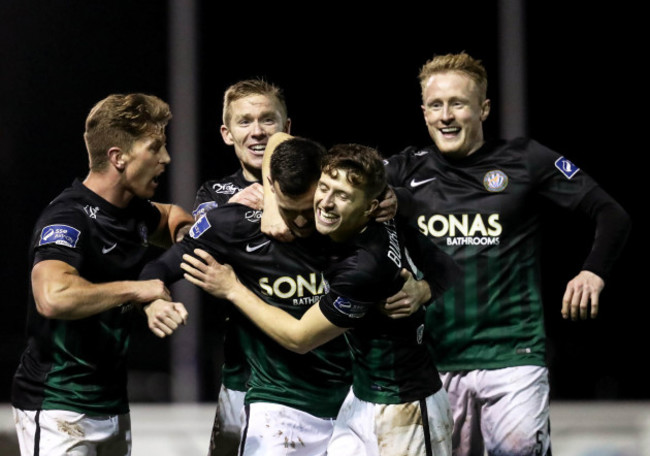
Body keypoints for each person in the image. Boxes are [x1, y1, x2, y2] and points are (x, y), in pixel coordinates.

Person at [382, 52, 632, 455]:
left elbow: (610, 212)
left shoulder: (526, 160)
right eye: (436, 105)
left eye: (458, 104)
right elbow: (329, 185)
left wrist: (593, 271)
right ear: (424, 112)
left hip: (513, 357)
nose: (446, 115)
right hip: (431, 364)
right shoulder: (401, 170)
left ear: (483, 109)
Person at [181, 141, 461, 456]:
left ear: (368, 206)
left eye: (341, 196)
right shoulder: (383, 217)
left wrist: (232, 288)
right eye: (324, 188)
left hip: (404, 403)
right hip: (359, 399)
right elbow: (447, 268)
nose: (325, 203)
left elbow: (299, 338)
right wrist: (424, 290)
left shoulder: (362, 265)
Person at [140, 135, 353, 456]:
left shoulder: (351, 224)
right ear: (271, 186)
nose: (298, 221)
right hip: (278, 408)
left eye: (307, 211)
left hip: (352, 404)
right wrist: (155, 300)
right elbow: (157, 269)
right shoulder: (233, 227)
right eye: (287, 208)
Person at [10, 93, 193, 456]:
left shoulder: (134, 213)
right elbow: (53, 297)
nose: (166, 159)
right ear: (118, 157)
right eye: (154, 148)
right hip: (57, 406)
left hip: (111, 404)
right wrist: (139, 291)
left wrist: (186, 239)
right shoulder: (68, 217)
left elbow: (173, 217)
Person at [191, 78, 291, 456]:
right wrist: (235, 207)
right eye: (245, 122)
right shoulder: (214, 195)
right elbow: (200, 253)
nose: (257, 132)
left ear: (287, 129)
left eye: (268, 120)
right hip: (245, 377)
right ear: (226, 133)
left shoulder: (322, 187)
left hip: (323, 375)